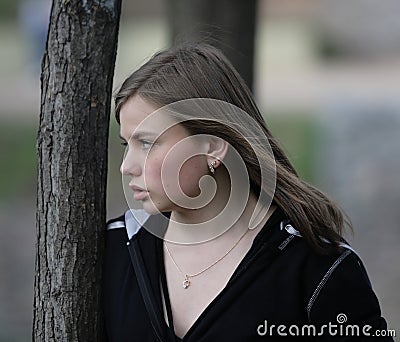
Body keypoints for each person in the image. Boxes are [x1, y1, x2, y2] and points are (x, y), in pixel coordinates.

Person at [103, 43, 393, 341]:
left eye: (148, 144)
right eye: (128, 145)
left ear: (212, 145)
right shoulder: (111, 250)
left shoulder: (316, 268)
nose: (127, 167)